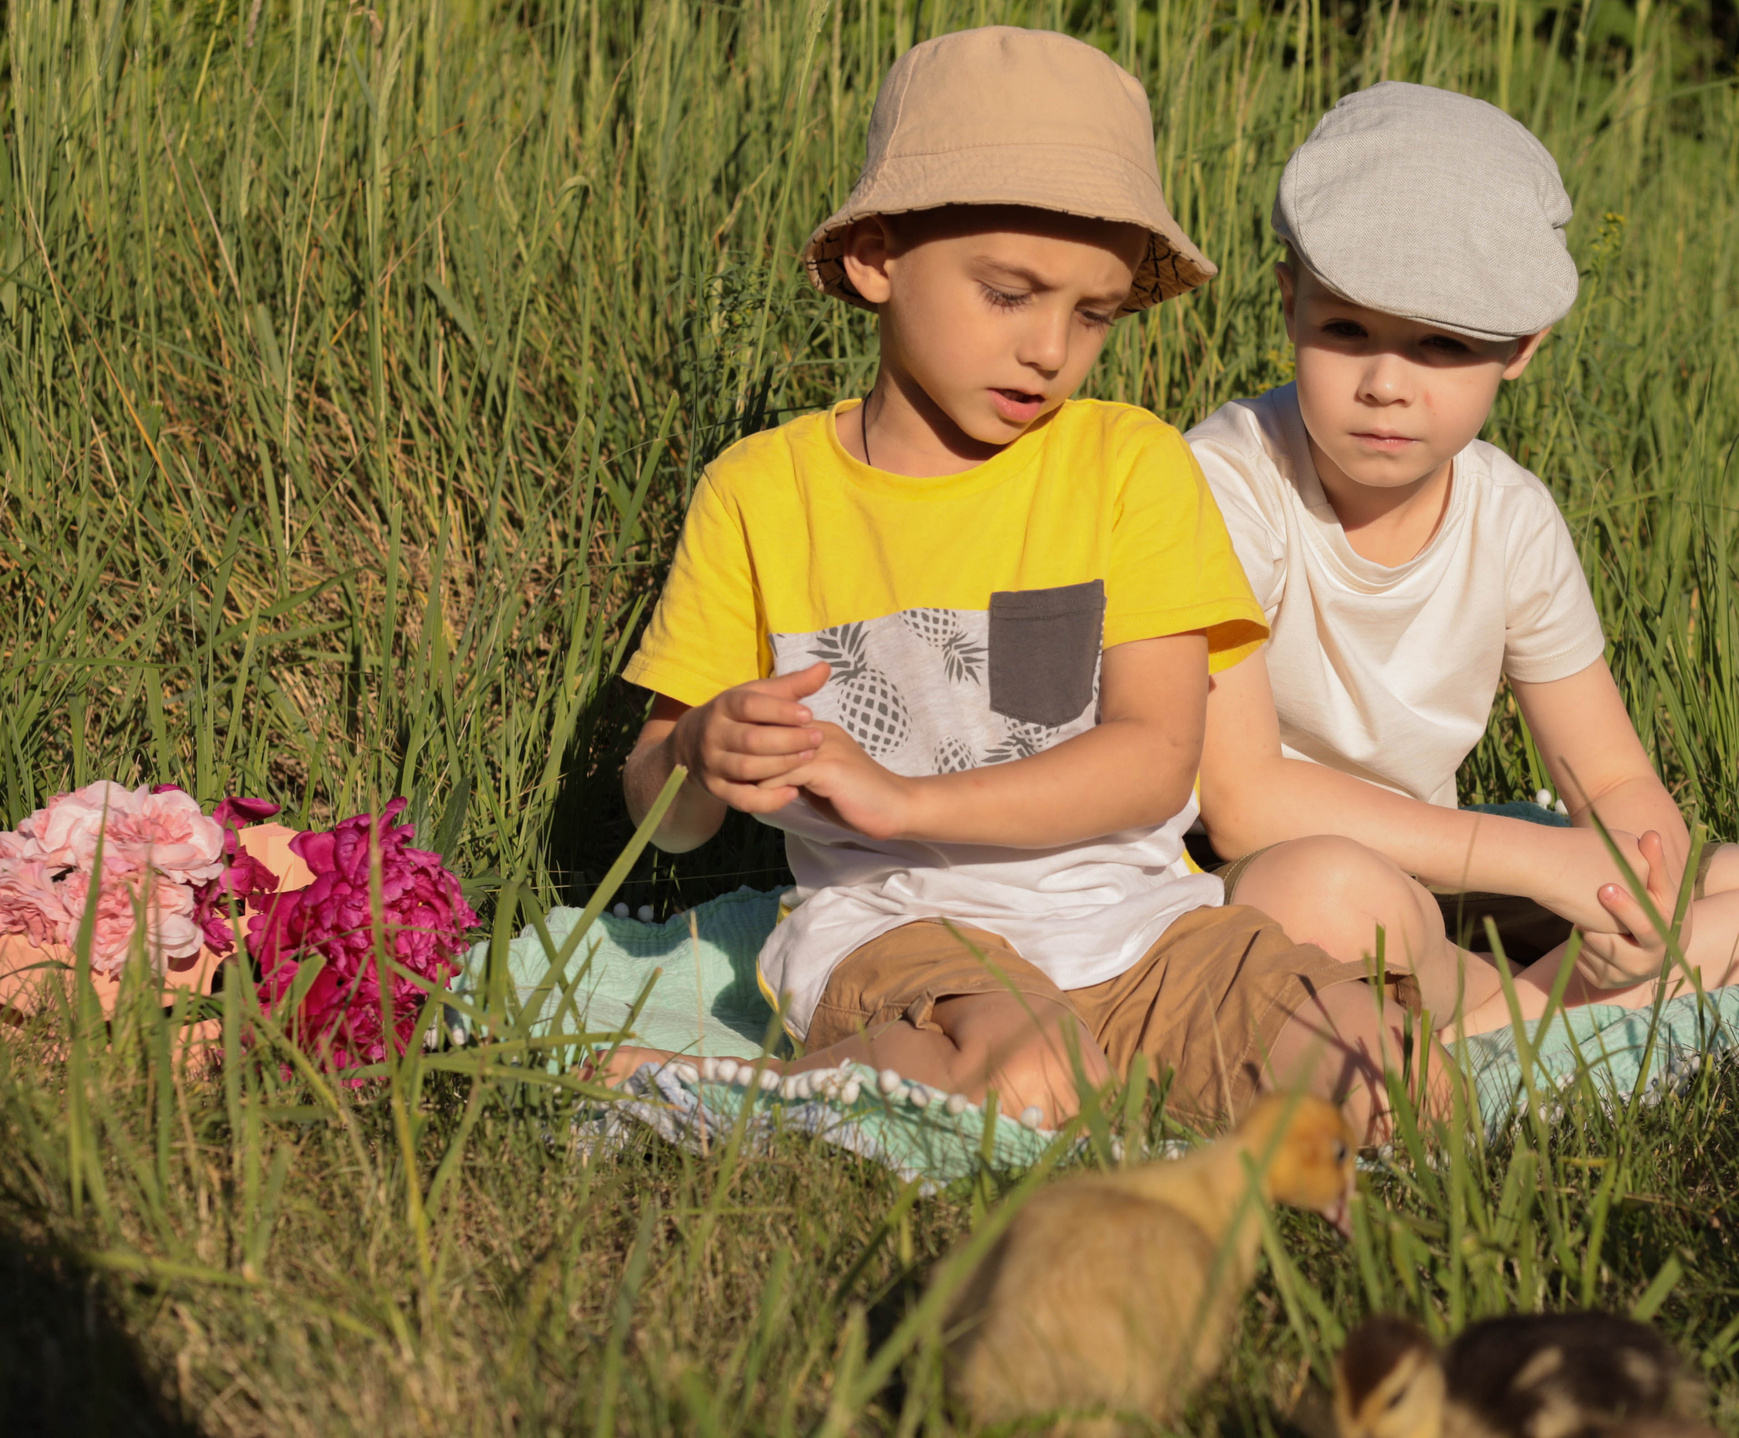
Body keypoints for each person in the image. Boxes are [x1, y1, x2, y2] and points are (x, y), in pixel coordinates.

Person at [610, 29, 1448, 1142]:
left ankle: (985, 1083)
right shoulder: (762, 492)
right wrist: (698, 750)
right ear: (876, 259)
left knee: (1393, 1082)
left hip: (1141, 927)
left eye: (1093, 313)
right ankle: (736, 1093)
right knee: (1031, 1078)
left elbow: (1154, 760)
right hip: (903, 933)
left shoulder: (1129, 465)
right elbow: (663, 821)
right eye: (1008, 294)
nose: (1052, 349)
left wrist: (908, 801)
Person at [1189, 83, 1739, 1030]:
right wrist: (1545, 863)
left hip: (1441, 875)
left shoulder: (1511, 516)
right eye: (1346, 330)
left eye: (1441, 344)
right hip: (1252, 884)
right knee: (1327, 897)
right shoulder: (1224, 483)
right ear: (1289, 303)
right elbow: (1243, 804)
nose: (1386, 384)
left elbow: (1611, 779)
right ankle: (1544, 1016)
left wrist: (1639, 893)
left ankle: (1493, 1021)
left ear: (1522, 349)